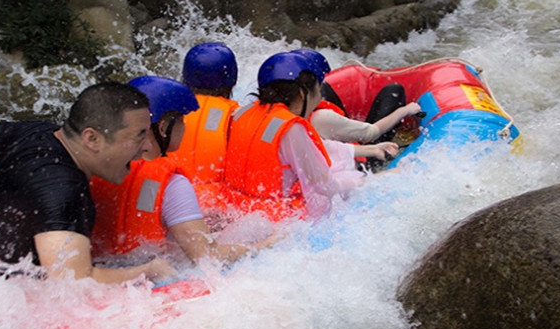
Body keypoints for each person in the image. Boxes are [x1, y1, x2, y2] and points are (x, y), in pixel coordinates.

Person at [0, 82, 176, 283]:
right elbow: (72, 282)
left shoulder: (36, 132)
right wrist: (148, 270)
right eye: (138, 136)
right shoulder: (63, 190)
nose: (146, 146)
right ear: (92, 139)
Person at [89, 76, 263, 265]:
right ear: (164, 127)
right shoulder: (173, 185)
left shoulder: (93, 164)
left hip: (102, 272)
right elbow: (207, 257)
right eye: (182, 121)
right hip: (153, 280)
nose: (185, 127)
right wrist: (264, 244)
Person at [221, 52, 398, 220]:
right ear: (301, 94)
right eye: (318, 90)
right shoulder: (291, 128)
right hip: (280, 221)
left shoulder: (241, 113)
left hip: (236, 210)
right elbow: (326, 187)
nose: (320, 97)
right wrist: (373, 180)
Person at [291, 48, 422, 145]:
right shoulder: (322, 118)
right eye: (318, 87)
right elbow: (371, 133)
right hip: (358, 163)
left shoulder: (276, 116)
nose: (320, 90)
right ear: (304, 94)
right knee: (395, 91)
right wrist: (405, 111)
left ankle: (349, 128)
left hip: (334, 150)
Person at [168, 42, 240, 191]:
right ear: (232, 80)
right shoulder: (236, 116)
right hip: (215, 203)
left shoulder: (167, 110)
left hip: (169, 195)